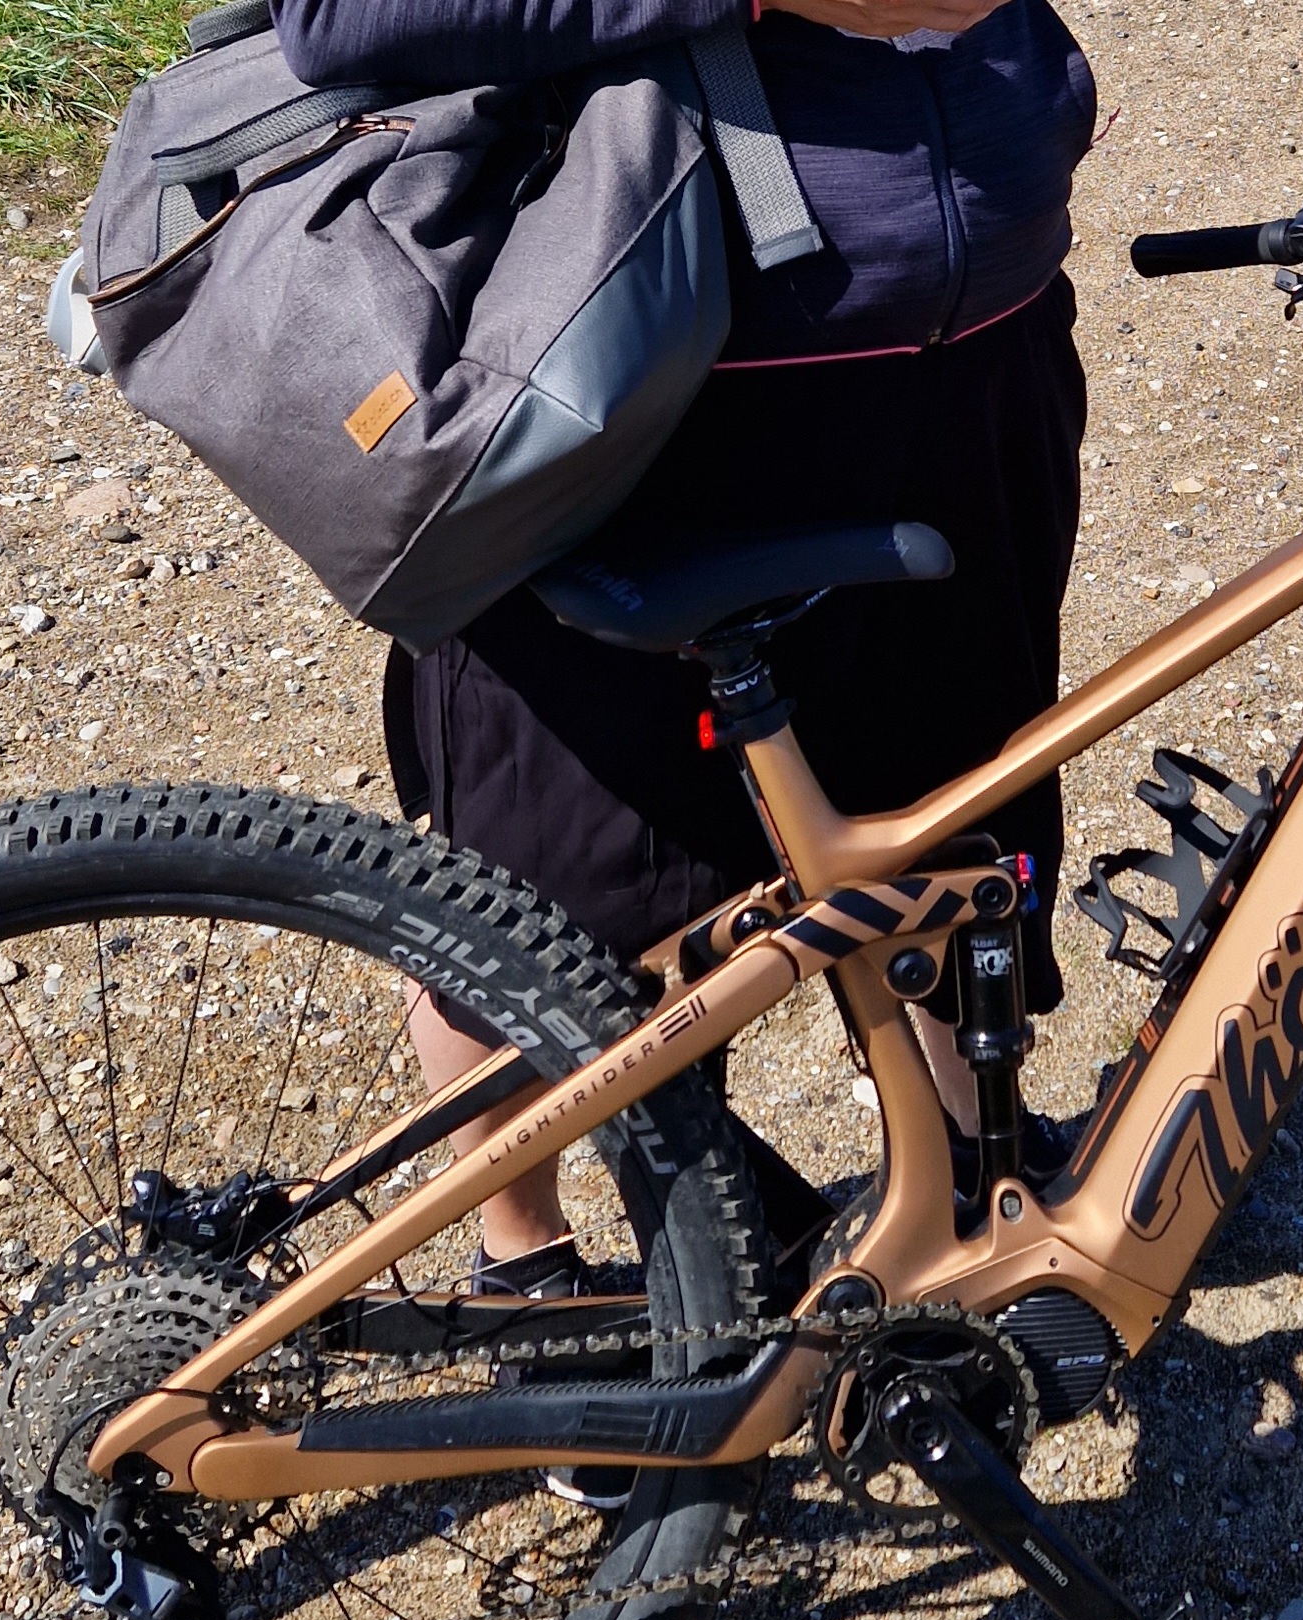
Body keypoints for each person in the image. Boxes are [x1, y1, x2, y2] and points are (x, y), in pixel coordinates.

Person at [275, 0, 1097, 1501]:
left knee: (958, 822)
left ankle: (974, 1191)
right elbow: (342, 18)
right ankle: (536, 1280)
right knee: (546, 900)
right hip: (639, 393)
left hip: (974, 365)